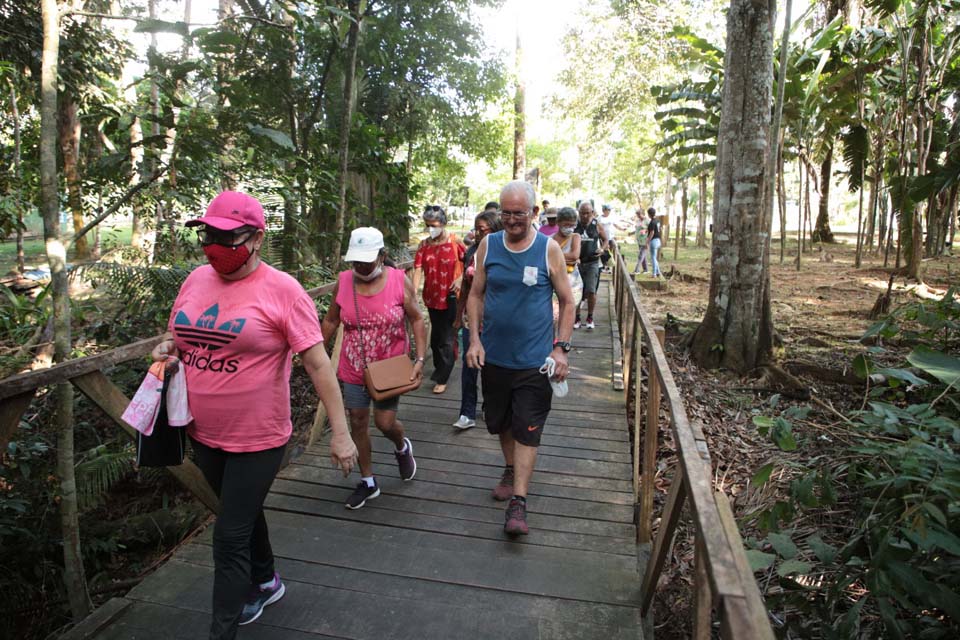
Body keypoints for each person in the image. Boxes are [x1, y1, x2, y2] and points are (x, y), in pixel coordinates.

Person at [151, 191, 358, 639]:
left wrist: (341, 433)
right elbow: (176, 333)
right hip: (202, 431)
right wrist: (167, 347)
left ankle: (222, 630)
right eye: (209, 234)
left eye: (228, 237)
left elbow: (318, 364)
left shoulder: (283, 290)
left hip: (258, 438)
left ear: (257, 238)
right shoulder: (195, 280)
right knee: (238, 512)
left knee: (228, 537)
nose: (215, 245)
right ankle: (266, 580)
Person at [466, 180, 575, 536]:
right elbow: (476, 295)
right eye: (507, 213)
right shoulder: (488, 245)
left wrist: (561, 348)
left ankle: (519, 501)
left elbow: (568, 302)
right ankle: (510, 468)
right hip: (494, 357)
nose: (512, 220)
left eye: (519, 213)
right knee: (500, 422)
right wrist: (474, 340)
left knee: (527, 428)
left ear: (533, 213)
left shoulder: (548, 249)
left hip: (534, 361)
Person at [321, 227, 426, 509]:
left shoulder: (398, 280)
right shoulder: (344, 281)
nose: (361, 267)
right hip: (354, 365)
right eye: (356, 261)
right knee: (357, 420)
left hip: (389, 366)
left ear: (382, 255)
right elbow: (331, 320)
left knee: (384, 423)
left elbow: (417, 319)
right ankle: (368, 481)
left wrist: (419, 359)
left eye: (367, 261)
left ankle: (402, 446)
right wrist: (315, 352)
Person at [452, 210, 502, 429]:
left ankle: (491, 406)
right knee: (469, 364)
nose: (478, 234)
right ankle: (467, 412)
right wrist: (458, 316)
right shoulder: (472, 251)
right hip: (471, 318)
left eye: (483, 230)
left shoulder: (503, 252)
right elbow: (465, 286)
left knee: (492, 366)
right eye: (477, 230)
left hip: (496, 319)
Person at [412, 206, 465, 394]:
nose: (431, 229)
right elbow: (418, 268)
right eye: (428, 225)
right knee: (435, 338)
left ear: (443, 224)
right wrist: (413, 292)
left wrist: (460, 278)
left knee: (447, 337)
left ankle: (443, 377)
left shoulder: (455, 242)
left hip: (451, 296)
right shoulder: (424, 245)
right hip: (431, 296)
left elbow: (470, 261)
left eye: (434, 225)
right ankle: (440, 367)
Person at [573, 200, 608, 330]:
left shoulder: (596, 224)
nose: (585, 216)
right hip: (577, 263)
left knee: (591, 291)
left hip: (592, 262)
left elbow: (606, 239)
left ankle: (590, 317)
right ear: (578, 212)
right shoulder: (574, 225)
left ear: (592, 212)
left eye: (587, 213)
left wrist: (602, 249)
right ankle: (577, 317)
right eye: (582, 213)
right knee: (577, 290)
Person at [599, 204, 617, 273]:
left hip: (610, 238)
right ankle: (604, 266)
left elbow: (615, 224)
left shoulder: (611, 217)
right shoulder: (600, 218)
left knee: (610, 252)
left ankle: (609, 267)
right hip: (603, 238)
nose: (609, 211)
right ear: (604, 210)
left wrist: (622, 228)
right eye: (608, 210)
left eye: (610, 210)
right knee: (604, 252)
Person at [647, 207, 663, 278]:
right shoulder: (658, 220)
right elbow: (660, 229)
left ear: (649, 214)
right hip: (658, 240)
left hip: (653, 241)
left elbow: (652, 233)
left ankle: (654, 274)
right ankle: (658, 272)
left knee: (653, 258)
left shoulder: (652, 222)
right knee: (654, 258)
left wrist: (647, 241)